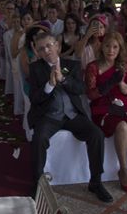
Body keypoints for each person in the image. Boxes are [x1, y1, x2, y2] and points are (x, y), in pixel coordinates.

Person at [28, 31, 112, 202]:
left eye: (50, 46)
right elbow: (34, 99)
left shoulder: (71, 65)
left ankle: (96, 181)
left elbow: (80, 89)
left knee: (96, 134)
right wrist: (49, 86)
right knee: (39, 138)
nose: (47, 50)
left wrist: (63, 80)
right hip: (49, 116)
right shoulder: (35, 69)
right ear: (38, 52)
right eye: (42, 48)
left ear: (57, 46)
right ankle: (37, 183)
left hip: (73, 115)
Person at [85, 32, 127, 194]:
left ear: (120, 49)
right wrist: (110, 84)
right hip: (103, 106)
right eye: (107, 46)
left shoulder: (124, 66)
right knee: (122, 127)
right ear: (101, 47)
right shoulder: (93, 67)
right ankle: (123, 169)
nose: (111, 50)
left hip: (124, 104)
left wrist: (123, 85)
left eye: (115, 47)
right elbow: (91, 94)